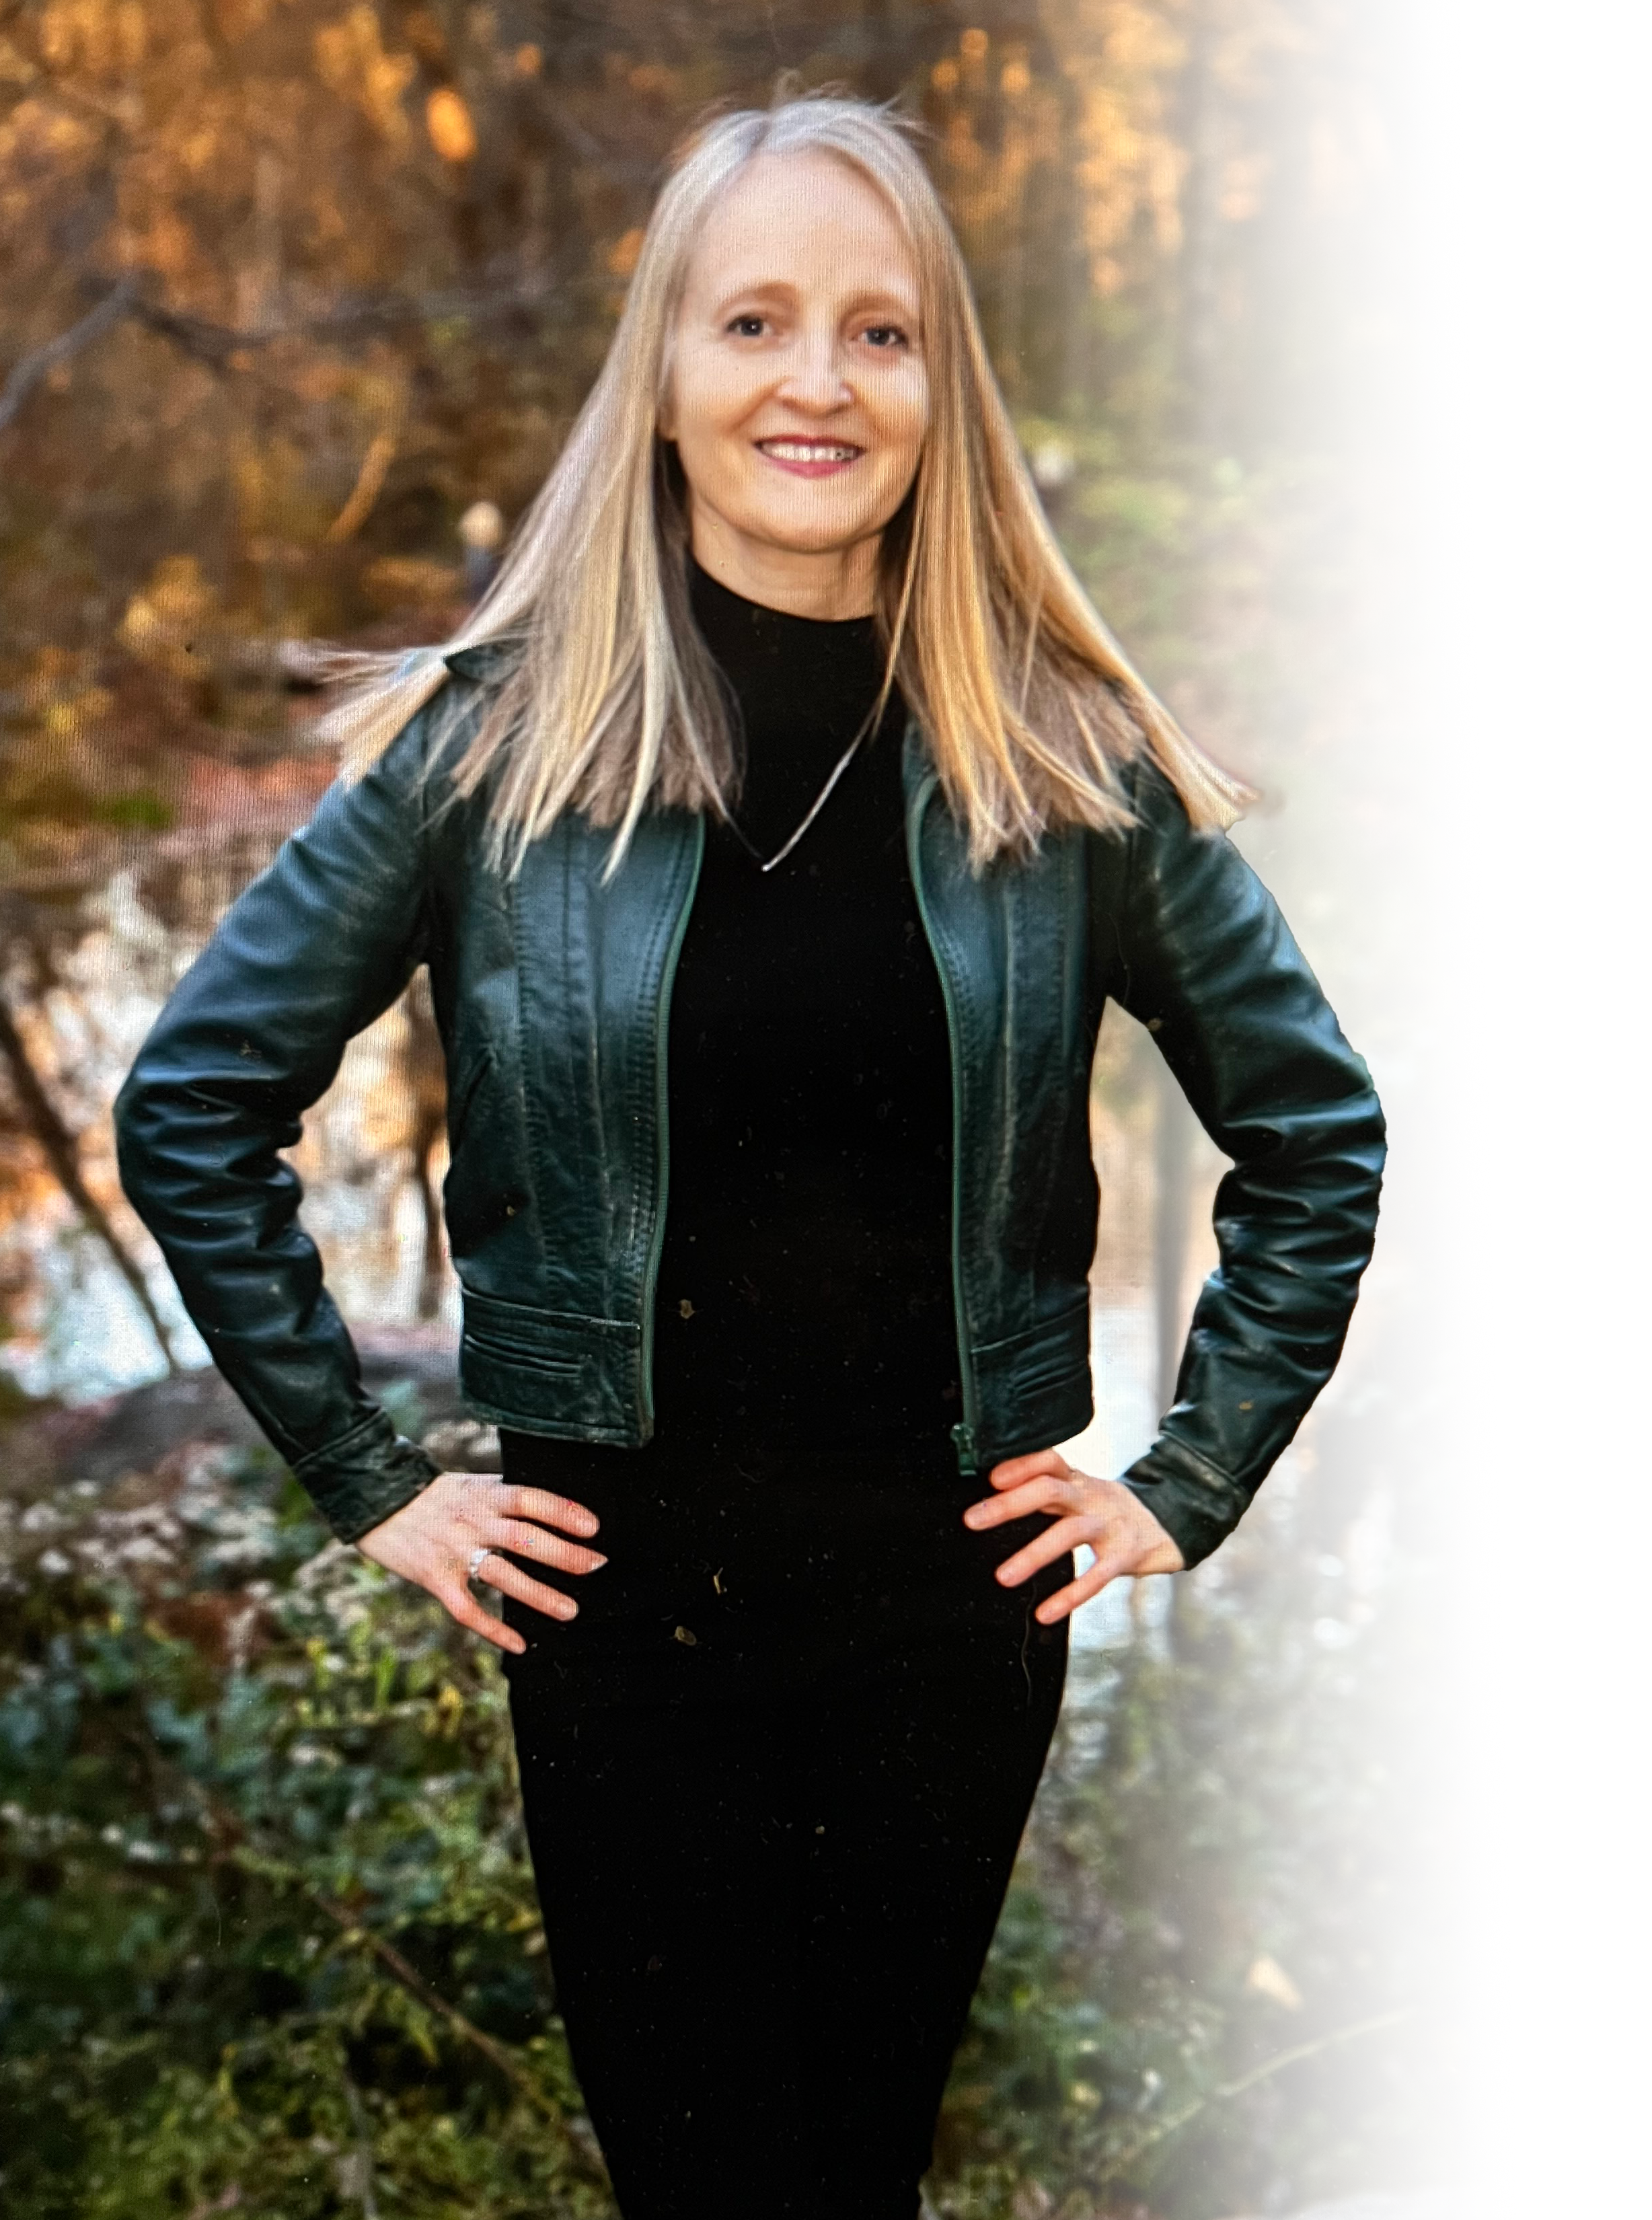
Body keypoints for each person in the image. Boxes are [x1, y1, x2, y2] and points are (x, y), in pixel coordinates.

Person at [114, 91, 1387, 2220]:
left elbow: (1318, 1129)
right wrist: (372, 1476)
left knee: (853, 2178)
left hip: (949, 1612)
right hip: (619, 1607)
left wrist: (1184, 1478)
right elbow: (193, 1103)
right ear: (665, 378)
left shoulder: (1061, 758)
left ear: (942, 390)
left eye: (882, 333)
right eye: (757, 323)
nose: (820, 382)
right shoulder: (494, 746)